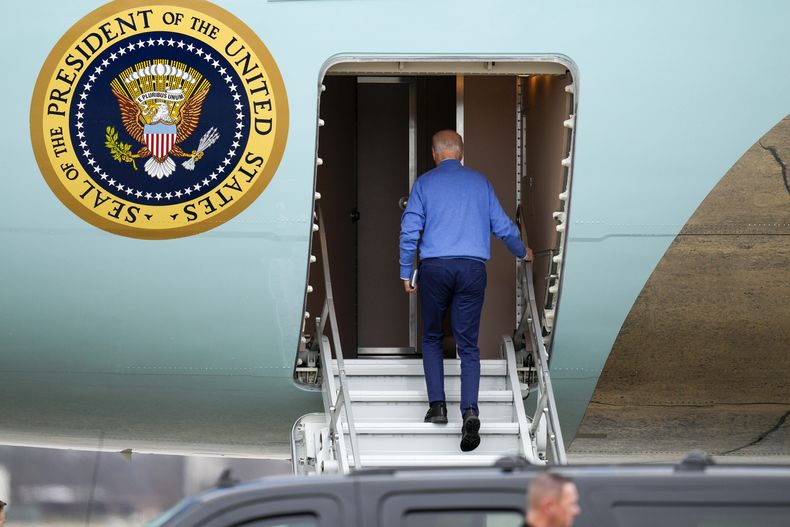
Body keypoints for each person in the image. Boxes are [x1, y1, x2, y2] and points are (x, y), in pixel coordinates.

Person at [399, 130, 532, 452]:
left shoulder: (424, 184)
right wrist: (522, 251)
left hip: (435, 268)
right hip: (472, 269)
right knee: (468, 344)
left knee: (432, 337)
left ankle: (437, 406)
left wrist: (405, 272)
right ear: (461, 152)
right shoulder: (480, 183)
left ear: (434, 153)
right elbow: (503, 226)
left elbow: (409, 231)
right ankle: (470, 410)